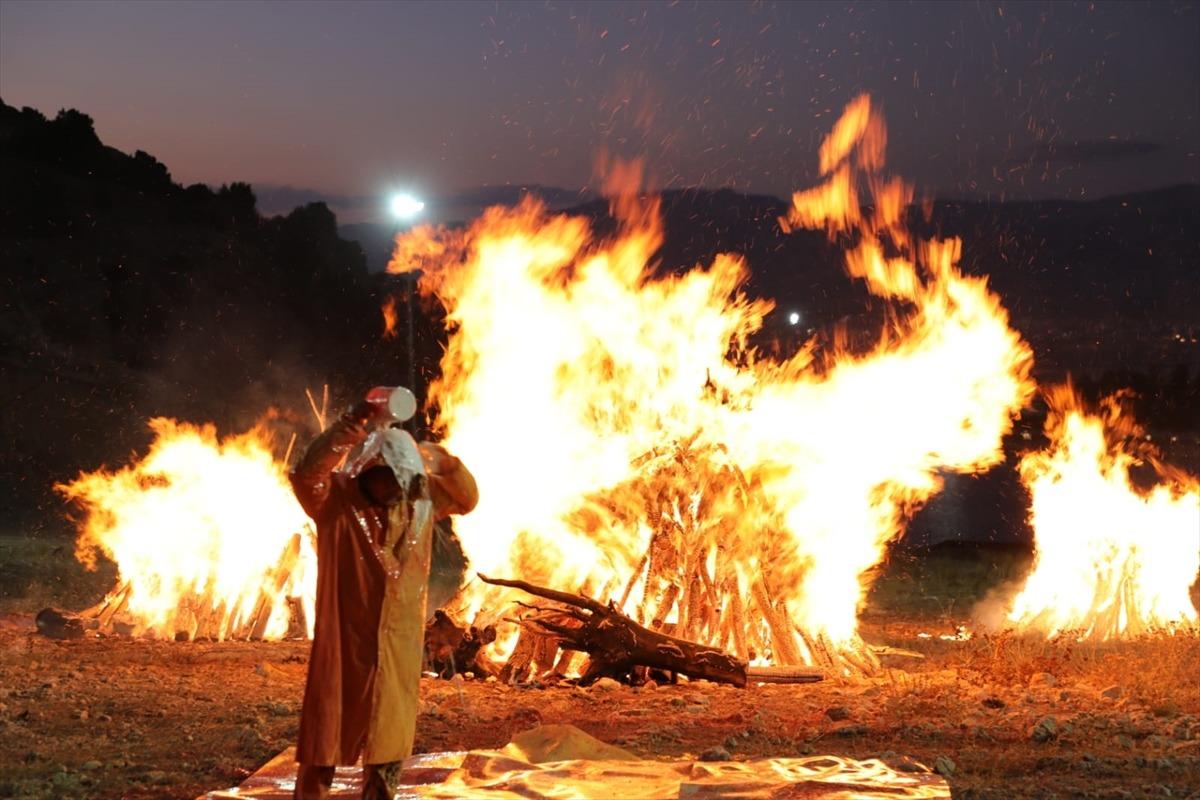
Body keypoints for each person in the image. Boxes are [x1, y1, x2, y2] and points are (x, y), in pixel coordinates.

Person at [289, 391, 478, 800]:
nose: (397, 488)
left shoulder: (419, 504)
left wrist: (442, 460)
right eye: (389, 477)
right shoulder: (334, 501)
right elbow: (305, 473)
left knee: (387, 749)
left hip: (397, 653)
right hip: (345, 650)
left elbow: (468, 498)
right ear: (367, 469)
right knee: (324, 744)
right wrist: (353, 421)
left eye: (404, 478)